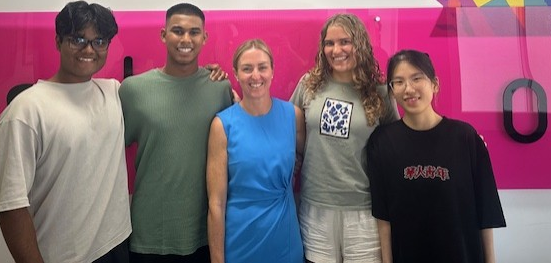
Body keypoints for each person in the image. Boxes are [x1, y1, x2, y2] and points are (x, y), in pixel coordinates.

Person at [0, 0, 131, 263]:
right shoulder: (25, 111)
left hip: (117, 245)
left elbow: (163, 88)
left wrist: (206, 73)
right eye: (77, 39)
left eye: (99, 41)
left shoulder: (113, 92)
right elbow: (11, 206)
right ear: (58, 41)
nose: (88, 49)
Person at [366, 49, 506, 263]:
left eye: (416, 78)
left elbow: (486, 211)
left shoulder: (465, 137)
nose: (409, 89)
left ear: (435, 84)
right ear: (391, 91)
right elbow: (383, 218)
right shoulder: (382, 142)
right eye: (399, 82)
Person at [119, 2, 234, 262]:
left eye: (194, 32)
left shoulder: (219, 88)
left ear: (204, 38)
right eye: (178, 31)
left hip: (204, 234)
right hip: (150, 235)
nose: (186, 39)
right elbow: (108, 155)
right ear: (163, 35)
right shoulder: (133, 90)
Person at [290, 13, 398, 263]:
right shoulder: (308, 84)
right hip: (316, 207)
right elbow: (283, 126)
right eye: (329, 43)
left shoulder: (379, 91)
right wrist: (237, 100)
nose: (336, 50)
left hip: (364, 210)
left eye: (344, 42)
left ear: (359, 44)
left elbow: (398, 142)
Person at [206, 39, 305, 263]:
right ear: (236, 74)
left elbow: (309, 157)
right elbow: (216, 203)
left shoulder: (293, 116)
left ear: (272, 71)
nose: (255, 75)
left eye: (262, 67)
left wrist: (294, 163)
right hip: (239, 243)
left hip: (285, 243)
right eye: (247, 69)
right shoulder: (222, 126)